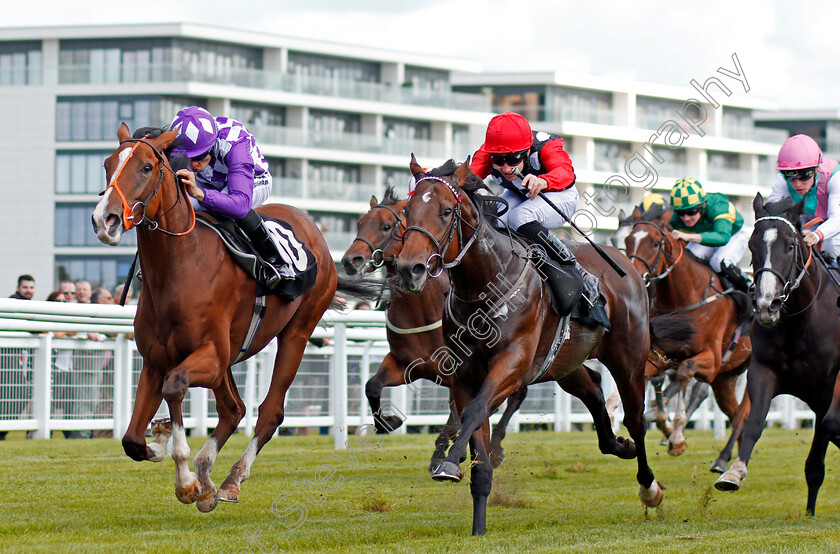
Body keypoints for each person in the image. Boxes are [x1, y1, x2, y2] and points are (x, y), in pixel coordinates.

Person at [469, 112, 607, 326]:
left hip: (560, 194)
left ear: (525, 151)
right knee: (494, 217)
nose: (505, 168)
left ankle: (578, 271)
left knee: (519, 216)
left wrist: (543, 181)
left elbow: (565, 172)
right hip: (521, 194)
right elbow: (467, 177)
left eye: (513, 159)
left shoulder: (546, 146)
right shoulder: (489, 152)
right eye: (498, 160)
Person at [169, 105, 291, 288]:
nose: (193, 164)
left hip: (253, 181)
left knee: (226, 210)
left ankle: (276, 261)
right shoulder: (180, 137)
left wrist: (200, 194)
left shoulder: (235, 144)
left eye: (199, 157)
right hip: (210, 181)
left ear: (211, 146)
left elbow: (240, 204)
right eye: (188, 158)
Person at [668, 178, 751, 292]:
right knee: (689, 258)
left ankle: (749, 286)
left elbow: (723, 237)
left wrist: (688, 237)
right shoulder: (675, 218)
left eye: (691, 211)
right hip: (706, 235)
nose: (686, 218)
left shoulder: (718, 204)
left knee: (718, 262)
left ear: (703, 205)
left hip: (733, 234)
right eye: (681, 213)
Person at [768, 134, 840, 261]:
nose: (797, 184)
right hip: (809, 225)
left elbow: (836, 218)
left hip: (834, 225)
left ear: (817, 168)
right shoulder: (781, 181)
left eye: (804, 176)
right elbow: (773, 217)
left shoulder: (835, 177)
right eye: (790, 177)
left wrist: (817, 235)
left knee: (830, 244)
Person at [0, 275, 35, 439]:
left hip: (13, 358)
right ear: (18, 288)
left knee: (17, 394)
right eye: (25, 287)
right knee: (18, 393)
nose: (29, 291)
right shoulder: (14, 302)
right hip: (6, 357)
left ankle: (3, 430)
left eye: (31, 288)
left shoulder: (27, 304)